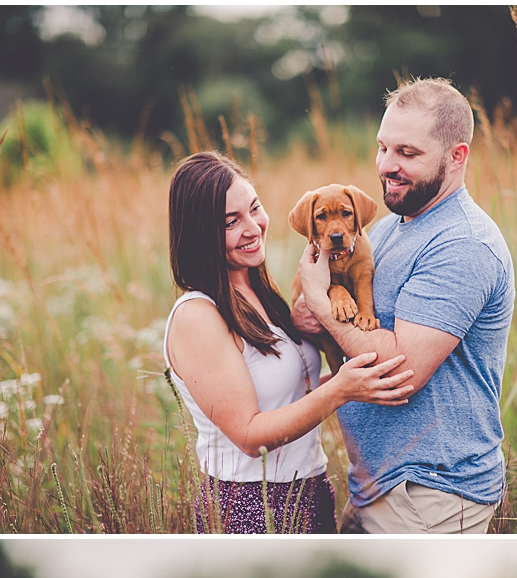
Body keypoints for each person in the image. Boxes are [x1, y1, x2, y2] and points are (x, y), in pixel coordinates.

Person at [292, 77, 514, 533]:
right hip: (377, 485)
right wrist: (309, 317)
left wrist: (319, 299)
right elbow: (345, 330)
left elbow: (401, 371)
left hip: (429, 494)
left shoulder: (462, 243)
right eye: (382, 148)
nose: (386, 166)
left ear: (457, 156)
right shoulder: (392, 227)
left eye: (407, 154)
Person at [163, 151, 415, 533]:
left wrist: (363, 377)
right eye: (231, 221)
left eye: (254, 208)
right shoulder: (197, 316)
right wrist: (341, 391)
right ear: (200, 233)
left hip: (311, 489)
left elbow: (294, 394)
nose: (253, 227)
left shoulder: (263, 294)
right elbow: (249, 435)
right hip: (249, 503)